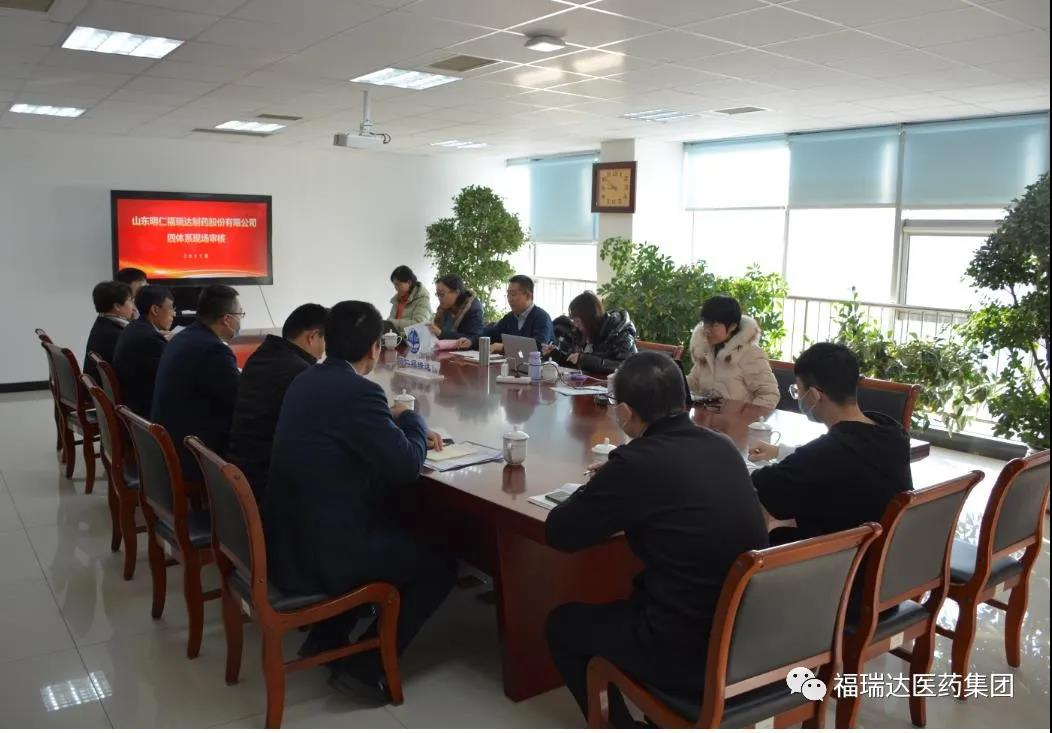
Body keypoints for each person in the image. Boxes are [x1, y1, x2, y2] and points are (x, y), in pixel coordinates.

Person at [545, 351, 769, 727]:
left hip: (690, 650)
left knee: (563, 626)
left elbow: (561, 532)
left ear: (625, 413)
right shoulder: (722, 446)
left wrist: (607, 481)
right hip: (752, 636)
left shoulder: (635, 463)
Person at [264, 301, 455, 701]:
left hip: (287, 540)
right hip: (324, 553)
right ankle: (369, 667)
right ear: (374, 348)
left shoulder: (306, 380)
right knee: (438, 565)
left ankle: (325, 638)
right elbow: (406, 465)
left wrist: (388, 417)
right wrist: (412, 418)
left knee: (393, 523)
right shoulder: (360, 392)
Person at [749, 342, 914, 546]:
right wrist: (780, 452)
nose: (798, 397)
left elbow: (762, 487)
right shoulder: (893, 434)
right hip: (890, 551)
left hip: (846, 561)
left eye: (798, 390)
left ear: (814, 395)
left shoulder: (828, 453)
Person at [227, 303, 328, 500]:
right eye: (326, 340)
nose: (324, 351)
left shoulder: (261, 355)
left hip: (240, 470)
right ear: (313, 336)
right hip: (267, 484)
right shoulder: (299, 372)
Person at [151, 284, 242, 480]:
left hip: (171, 442)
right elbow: (239, 400)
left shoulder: (183, 337)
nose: (241, 321)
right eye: (240, 315)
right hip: (192, 452)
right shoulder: (213, 350)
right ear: (227, 319)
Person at [686, 295, 779, 408]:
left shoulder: (750, 354)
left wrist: (745, 416)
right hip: (707, 417)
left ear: (732, 326)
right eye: (706, 323)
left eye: (714, 325)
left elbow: (769, 395)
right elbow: (692, 383)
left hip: (738, 418)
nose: (707, 330)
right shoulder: (706, 351)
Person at [112, 285, 175, 417]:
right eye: (170, 308)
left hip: (131, 404)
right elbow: (171, 377)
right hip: (146, 411)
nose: (173, 314)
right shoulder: (150, 339)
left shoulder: (134, 327)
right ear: (155, 309)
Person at [545, 291, 637, 375]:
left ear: (590, 319)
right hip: (589, 384)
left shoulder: (621, 332)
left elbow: (625, 367)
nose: (575, 326)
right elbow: (575, 361)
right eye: (574, 321)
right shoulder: (582, 332)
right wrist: (556, 355)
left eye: (578, 321)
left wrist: (585, 360)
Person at [456, 275, 554, 353]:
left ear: (529, 296)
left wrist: (504, 347)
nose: (509, 299)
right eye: (508, 294)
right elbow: (491, 333)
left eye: (513, 294)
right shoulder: (510, 317)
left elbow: (538, 347)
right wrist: (471, 341)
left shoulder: (542, 318)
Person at [84, 280, 134, 383]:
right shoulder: (115, 335)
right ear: (117, 306)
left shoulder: (102, 322)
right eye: (130, 300)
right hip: (110, 390)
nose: (133, 306)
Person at [429, 274, 483, 342]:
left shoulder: (473, 309)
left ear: (457, 292)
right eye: (437, 294)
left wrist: (442, 334)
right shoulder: (443, 309)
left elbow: (473, 337)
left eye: (442, 294)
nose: (439, 298)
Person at [386, 265, 433, 334]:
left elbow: (419, 324)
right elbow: (390, 323)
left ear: (409, 282)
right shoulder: (397, 300)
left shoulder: (422, 299)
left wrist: (391, 323)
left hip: (411, 340)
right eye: (394, 285)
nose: (396, 288)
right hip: (395, 338)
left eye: (398, 284)